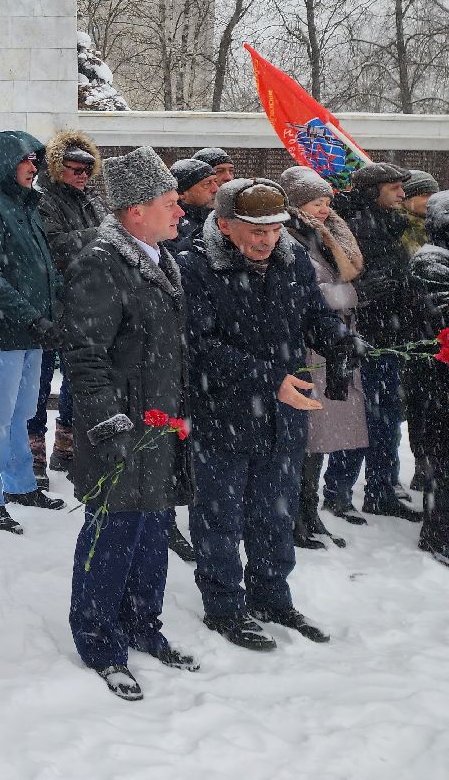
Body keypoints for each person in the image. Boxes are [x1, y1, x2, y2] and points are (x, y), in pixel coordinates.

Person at [177, 179, 357, 651]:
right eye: (255, 231)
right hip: (224, 414)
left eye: (275, 229)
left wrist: (340, 340)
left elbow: (313, 314)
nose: (267, 240)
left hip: (283, 414)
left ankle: (272, 596)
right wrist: (267, 379)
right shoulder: (195, 268)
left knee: (274, 513)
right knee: (220, 517)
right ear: (224, 224)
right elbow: (199, 348)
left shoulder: (293, 259)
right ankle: (224, 607)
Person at [61, 146, 198, 701]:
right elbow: (85, 357)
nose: (182, 212)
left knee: (149, 535)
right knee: (111, 535)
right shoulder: (101, 262)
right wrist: (110, 425)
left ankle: (144, 624)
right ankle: (98, 640)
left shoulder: (161, 257)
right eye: (171, 203)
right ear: (136, 210)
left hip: (161, 430)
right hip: (120, 433)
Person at [0, 131, 65, 535]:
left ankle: (20, 485)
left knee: (22, 413)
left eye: (35, 161)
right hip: (6, 333)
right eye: (26, 160)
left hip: (32, 332)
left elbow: (42, 268)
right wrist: (31, 318)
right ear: (6, 162)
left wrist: (51, 314)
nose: (33, 168)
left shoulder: (25, 206)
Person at [324, 162, 422, 523]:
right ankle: (338, 491)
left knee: (387, 420)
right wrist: (363, 298)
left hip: (392, 337)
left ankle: (381, 488)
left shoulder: (393, 225)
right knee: (358, 420)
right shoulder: (352, 227)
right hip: (363, 339)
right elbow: (338, 284)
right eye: (394, 187)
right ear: (372, 190)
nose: (401, 193)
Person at [280, 166, 369, 550]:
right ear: (298, 203)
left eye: (327, 201)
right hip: (307, 345)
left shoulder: (324, 234)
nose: (325, 208)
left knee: (320, 433)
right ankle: (295, 515)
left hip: (331, 341)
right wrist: (341, 295)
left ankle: (309, 510)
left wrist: (340, 295)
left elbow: (340, 286)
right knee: (306, 432)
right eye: (318, 202)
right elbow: (313, 293)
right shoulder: (287, 237)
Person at [33, 131, 105, 483]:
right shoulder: (42, 199)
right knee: (40, 383)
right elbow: (54, 245)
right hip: (52, 303)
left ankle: (66, 449)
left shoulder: (91, 200)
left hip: (87, 301)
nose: (81, 175)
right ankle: (33, 456)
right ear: (57, 167)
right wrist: (98, 237)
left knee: (79, 381)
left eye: (86, 169)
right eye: (74, 168)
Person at [407, 190, 449, 566]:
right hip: (436, 377)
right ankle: (438, 533)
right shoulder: (431, 261)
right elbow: (441, 314)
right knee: (443, 458)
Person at [400, 169, 438, 490]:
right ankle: (422, 464)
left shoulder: (436, 230)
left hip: (432, 334)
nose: (428, 202)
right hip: (413, 333)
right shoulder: (401, 232)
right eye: (422, 195)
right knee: (419, 406)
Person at [168, 158, 220, 256]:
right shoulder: (170, 224)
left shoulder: (217, 217)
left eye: (215, 181)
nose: (216, 189)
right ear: (182, 193)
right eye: (207, 184)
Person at [400, 170, 438, 258]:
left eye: (434, 195)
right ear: (406, 198)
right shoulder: (394, 226)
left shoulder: (439, 226)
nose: (432, 200)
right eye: (425, 195)